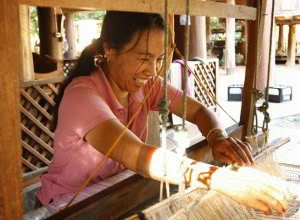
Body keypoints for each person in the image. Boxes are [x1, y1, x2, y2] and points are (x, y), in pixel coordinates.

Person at [37, 11, 290, 215]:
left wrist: (217, 137)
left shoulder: (148, 85)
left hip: (118, 195)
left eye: (159, 59)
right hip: (70, 207)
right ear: (109, 49)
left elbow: (199, 110)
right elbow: (137, 155)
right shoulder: (82, 96)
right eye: (144, 58)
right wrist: (220, 180)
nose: (152, 70)